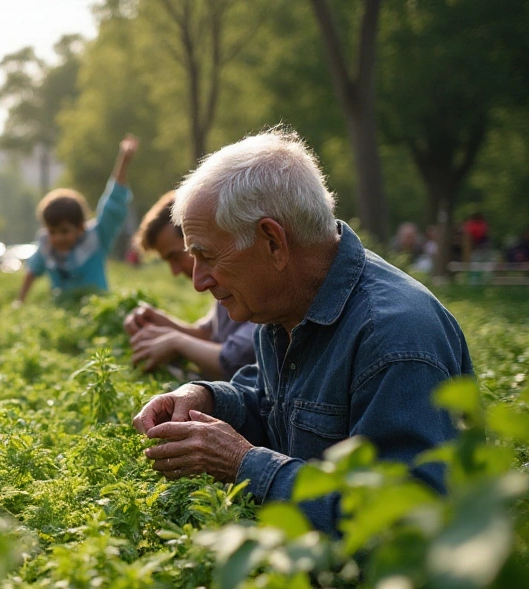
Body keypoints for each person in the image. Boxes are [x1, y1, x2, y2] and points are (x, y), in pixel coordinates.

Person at [132, 129, 472, 534]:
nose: (198, 281)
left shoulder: (394, 339)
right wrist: (204, 397)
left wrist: (244, 464)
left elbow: (403, 527)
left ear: (273, 242)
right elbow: (272, 404)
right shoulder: (282, 305)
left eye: (206, 255)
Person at [124, 191, 257, 380]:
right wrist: (162, 322)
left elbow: (235, 359)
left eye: (176, 256)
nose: (175, 271)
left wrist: (176, 342)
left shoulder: (256, 286)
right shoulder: (222, 285)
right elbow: (210, 334)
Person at [17, 134, 139, 303]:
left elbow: (112, 203)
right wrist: (20, 301)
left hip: (97, 309)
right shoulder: (46, 245)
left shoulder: (96, 238)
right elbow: (32, 272)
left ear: (81, 226)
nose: (58, 237)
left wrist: (124, 160)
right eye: (52, 231)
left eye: (64, 231)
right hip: (63, 311)